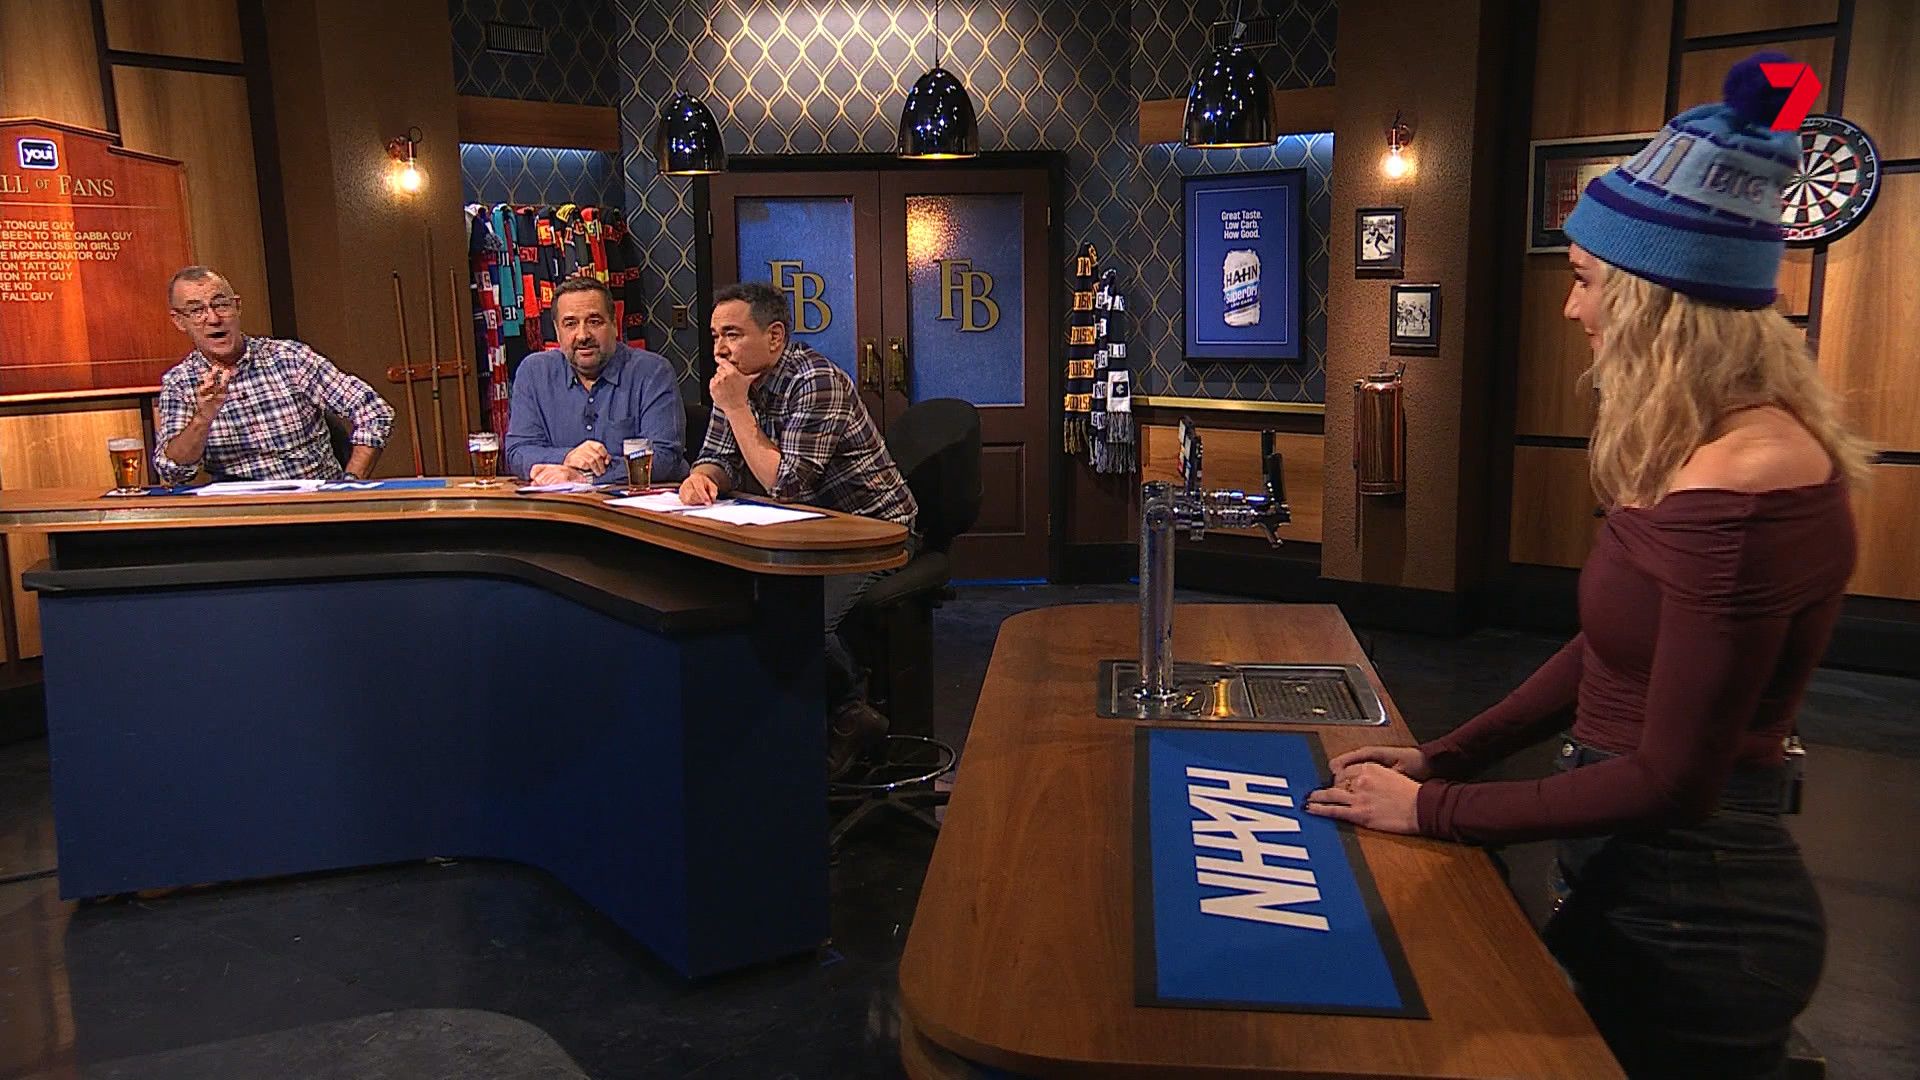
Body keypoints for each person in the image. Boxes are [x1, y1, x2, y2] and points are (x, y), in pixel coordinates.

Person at [1305, 55, 1870, 1079]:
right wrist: (1445, 758)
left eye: (1584, 280)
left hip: (1698, 925)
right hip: (1637, 893)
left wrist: (1433, 812)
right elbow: (1604, 653)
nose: (1573, 311)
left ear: (1659, 301)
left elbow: (1673, 782)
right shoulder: (1700, 445)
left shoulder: (1746, 486)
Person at [679, 282, 918, 776]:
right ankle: (794, 725)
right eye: (716, 336)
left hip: (872, 533)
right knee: (741, 602)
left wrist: (737, 408)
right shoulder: (734, 381)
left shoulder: (815, 380)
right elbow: (718, 455)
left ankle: (850, 714)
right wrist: (701, 477)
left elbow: (787, 484)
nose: (720, 349)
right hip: (803, 534)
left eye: (732, 335)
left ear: (775, 336)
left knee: (801, 618)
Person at [154, 266, 394, 485]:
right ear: (179, 321)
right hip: (242, 510)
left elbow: (374, 411)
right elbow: (172, 470)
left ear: (237, 307)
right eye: (197, 311)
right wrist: (203, 418)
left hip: (315, 501)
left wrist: (350, 484)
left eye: (221, 305)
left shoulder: (290, 358)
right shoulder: (179, 383)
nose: (214, 319)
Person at [505, 276, 686, 486]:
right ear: (557, 331)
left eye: (594, 322)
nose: (582, 335)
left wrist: (584, 477)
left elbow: (665, 458)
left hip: (635, 504)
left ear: (615, 325)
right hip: (561, 503)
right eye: (570, 324)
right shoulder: (534, 372)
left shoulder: (653, 372)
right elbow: (518, 451)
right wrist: (567, 457)